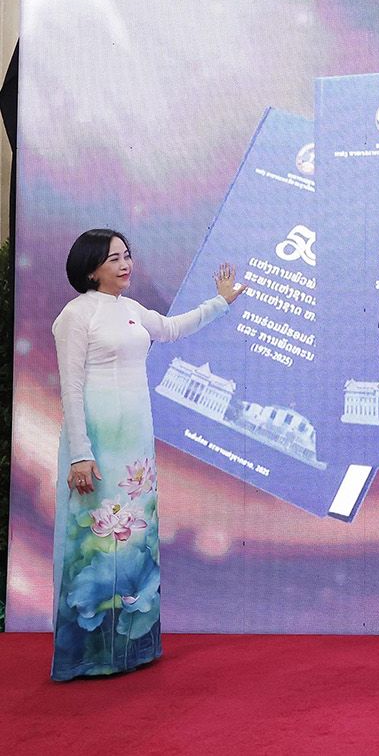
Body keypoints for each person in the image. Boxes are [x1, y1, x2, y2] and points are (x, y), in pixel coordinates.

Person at [51, 229, 244, 681]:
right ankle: (89, 652)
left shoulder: (132, 310)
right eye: (114, 258)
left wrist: (221, 302)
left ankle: (133, 649)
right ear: (90, 268)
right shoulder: (75, 316)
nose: (125, 264)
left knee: (135, 536)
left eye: (127, 255)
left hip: (135, 442)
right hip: (97, 441)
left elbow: (172, 329)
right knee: (95, 539)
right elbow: (71, 388)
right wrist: (79, 454)